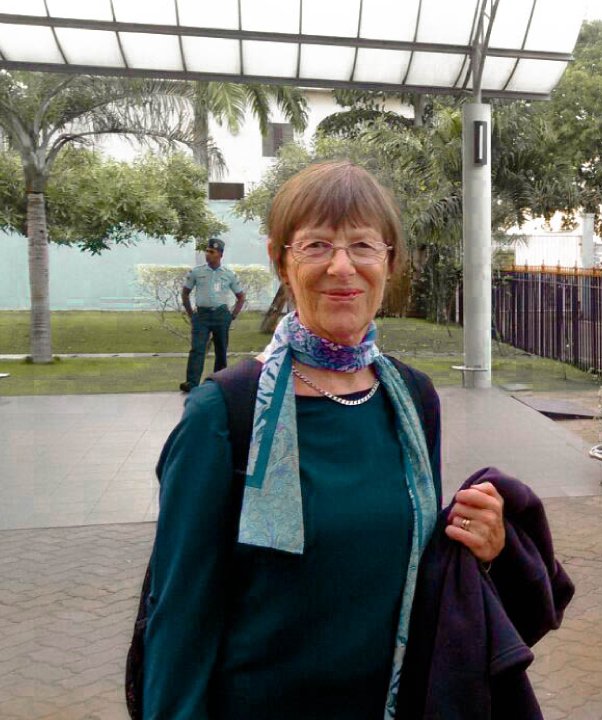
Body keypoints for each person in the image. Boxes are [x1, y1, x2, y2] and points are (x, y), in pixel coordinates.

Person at [140, 161, 568, 719]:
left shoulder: (411, 398)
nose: (342, 267)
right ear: (281, 261)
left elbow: (407, 565)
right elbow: (180, 615)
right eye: (316, 245)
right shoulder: (225, 413)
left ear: (389, 261)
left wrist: (483, 543)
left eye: (363, 245)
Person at [180, 237, 247, 392]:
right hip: (201, 316)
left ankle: (220, 382)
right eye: (207, 251)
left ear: (220, 255)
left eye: (212, 252)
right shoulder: (197, 272)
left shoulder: (229, 274)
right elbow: (185, 293)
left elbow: (241, 297)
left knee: (221, 350)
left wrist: (232, 316)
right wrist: (191, 314)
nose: (207, 254)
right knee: (197, 349)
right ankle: (191, 383)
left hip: (221, 316)